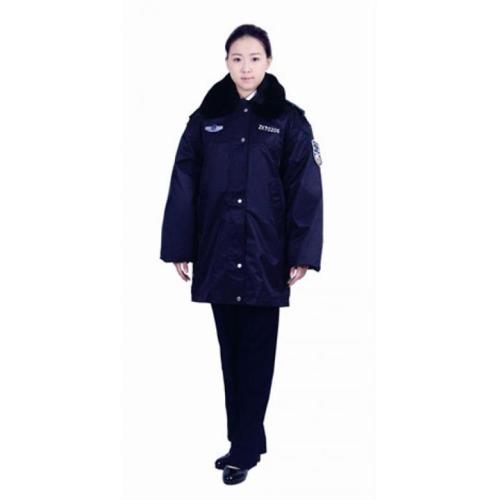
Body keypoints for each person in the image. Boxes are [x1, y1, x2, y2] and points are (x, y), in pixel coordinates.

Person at [160, 23, 323, 485]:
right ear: (226, 62)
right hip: (217, 252)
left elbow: (306, 187)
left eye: (254, 58)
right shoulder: (206, 119)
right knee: (230, 354)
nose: (246, 67)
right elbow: (184, 181)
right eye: (237, 58)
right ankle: (245, 440)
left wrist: (301, 252)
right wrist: (180, 245)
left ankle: (245, 448)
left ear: (268, 61)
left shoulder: (288, 120)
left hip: (265, 257)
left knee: (256, 355)